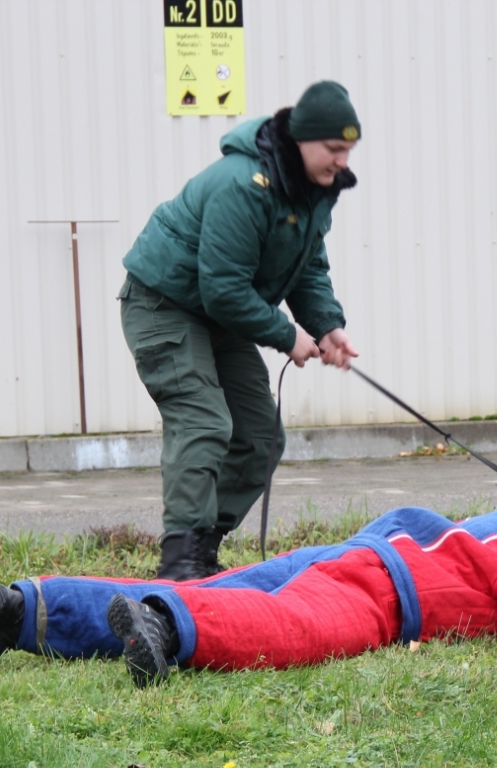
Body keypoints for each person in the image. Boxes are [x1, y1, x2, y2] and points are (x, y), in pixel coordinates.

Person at [0, 488, 497, 687]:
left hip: (361, 555)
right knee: (292, 627)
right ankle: (165, 626)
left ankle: (32, 608)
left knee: (226, 584)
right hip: (380, 586)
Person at [119, 80, 364, 582]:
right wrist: (287, 334)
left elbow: (308, 266)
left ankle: (203, 548)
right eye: (334, 149)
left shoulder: (315, 189)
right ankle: (180, 566)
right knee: (205, 422)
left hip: (218, 314)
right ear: (301, 139)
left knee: (258, 437)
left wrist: (326, 326)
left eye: (349, 151)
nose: (342, 161)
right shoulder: (242, 182)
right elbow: (225, 289)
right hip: (164, 303)